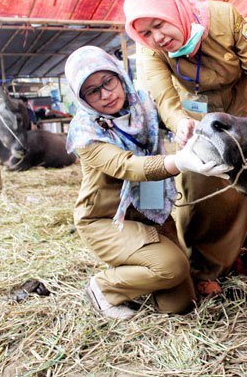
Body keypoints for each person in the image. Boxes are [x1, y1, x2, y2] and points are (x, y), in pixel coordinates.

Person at [123, 0, 247, 295]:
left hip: (239, 107)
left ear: (176, 10)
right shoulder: (150, 48)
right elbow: (163, 93)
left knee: (242, 181)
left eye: (159, 24)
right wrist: (178, 120)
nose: (158, 37)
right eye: (147, 33)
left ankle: (235, 253)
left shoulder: (226, 18)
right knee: (200, 182)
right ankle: (201, 266)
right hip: (196, 116)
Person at [64, 45, 231, 318]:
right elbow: (126, 166)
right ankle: (104, 288)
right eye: (93, 91)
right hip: (107, 220)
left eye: (108, 81)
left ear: (119, 74)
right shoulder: (86, 133)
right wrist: (178, 162)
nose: (106, 94)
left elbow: (170, 110)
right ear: (82, 99)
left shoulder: (142, 103)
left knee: (180, 306)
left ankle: (142, 276)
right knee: (172, 267)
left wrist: (181, 122)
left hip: (149, 211)